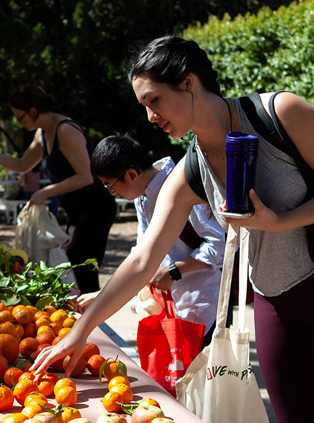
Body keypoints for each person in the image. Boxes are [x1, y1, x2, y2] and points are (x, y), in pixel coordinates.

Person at [32, 36, 314, 423]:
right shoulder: (191, 167)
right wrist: (80, 332)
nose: (150, 116)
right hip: (274, 300)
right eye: (144, 105)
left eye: (155, 100)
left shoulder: (282, 113)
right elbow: (143, 259)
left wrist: (280, 222)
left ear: (189, 82)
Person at [77, 133, 224, 349]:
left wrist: (175, 270)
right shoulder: (143, 196)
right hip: (167, 308)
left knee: (202, 380)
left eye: (111, 186)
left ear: (131, 174)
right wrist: (103, 296)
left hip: (203, 305)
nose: (111, 193)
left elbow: (220, 244)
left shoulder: (183, 185)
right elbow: (141, 256)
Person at [0, 84, 117, 294]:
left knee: (84, 273)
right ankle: (83, 321)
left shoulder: (65, 130)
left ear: (33, 111)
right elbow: (21, 165)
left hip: (96, 208)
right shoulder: (42, 133)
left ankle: (93, 324)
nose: (19, 123)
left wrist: (45, 192)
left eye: (20, 118)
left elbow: (85, 177)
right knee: (72, 270)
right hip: (77, 210)